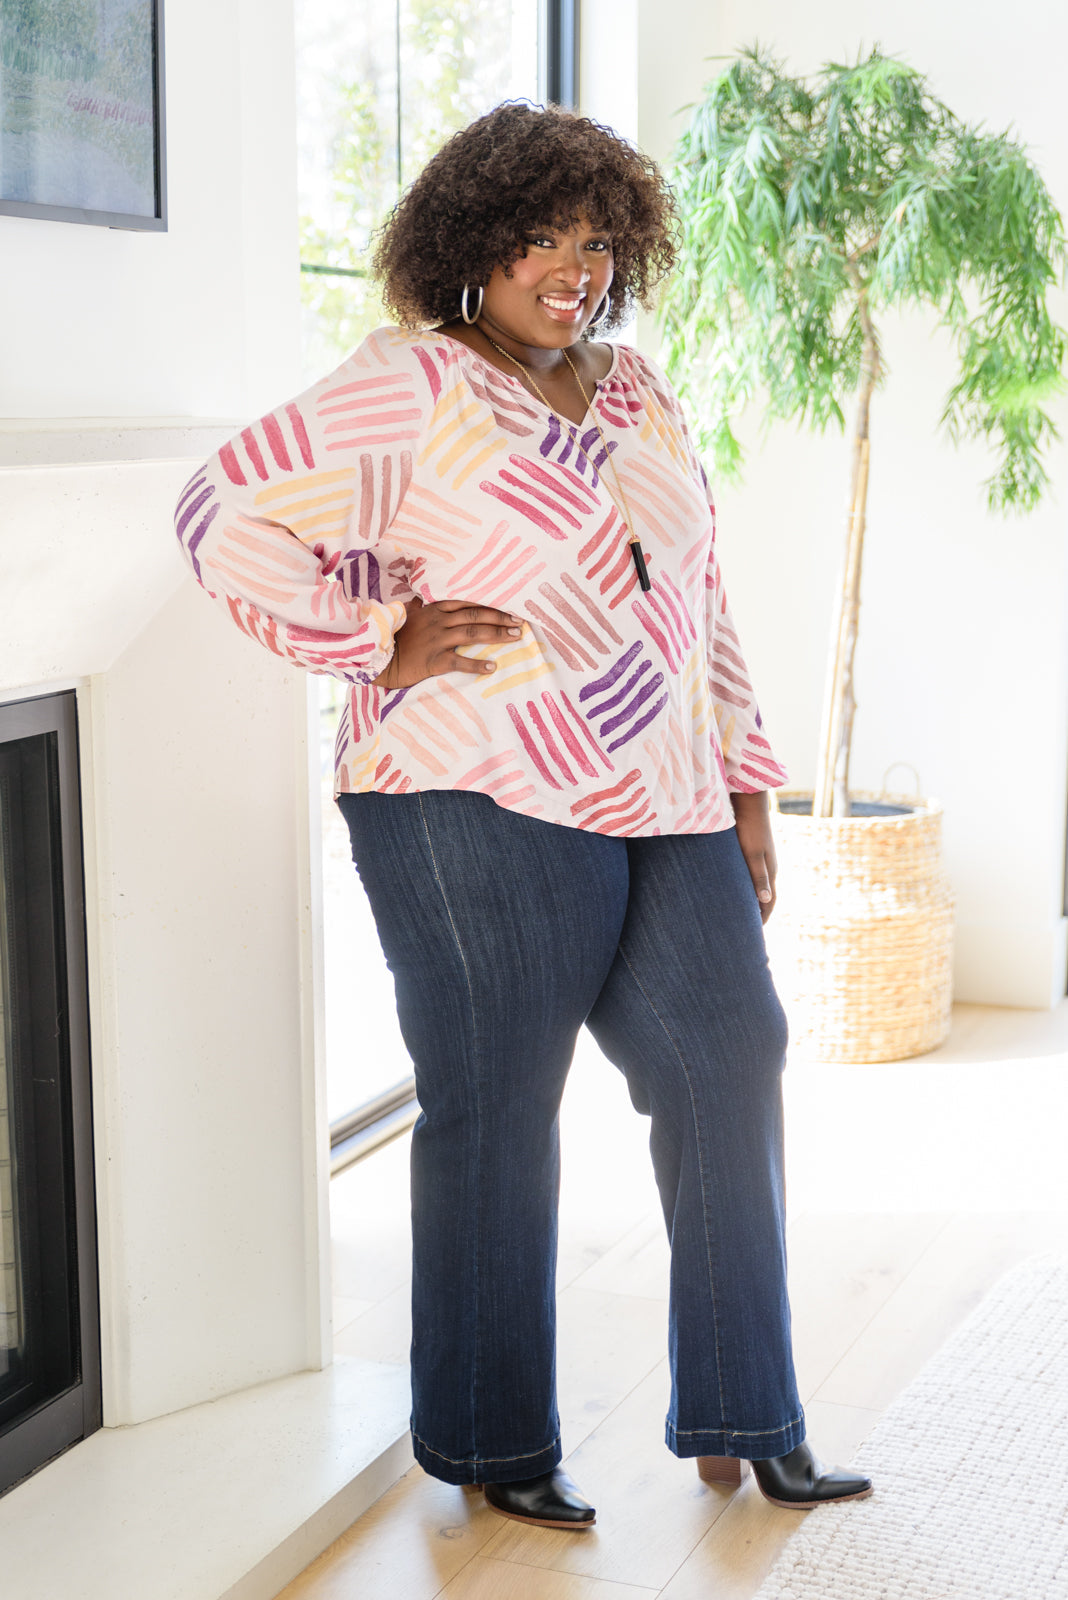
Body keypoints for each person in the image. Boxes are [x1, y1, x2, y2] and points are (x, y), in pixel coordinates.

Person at [175, 102, 872, 1530]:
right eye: (542, 237)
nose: (576, 266)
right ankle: (496, 1443)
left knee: (731, 1056)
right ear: (476, 244)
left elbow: (699, 600)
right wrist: (375, 641)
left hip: (663, 791)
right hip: (469, 789)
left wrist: (748, 783)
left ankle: (750, 1414)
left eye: (598, 239)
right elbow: (217, 510)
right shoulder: (409, 382)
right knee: (498, 1105)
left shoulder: (637, 391)